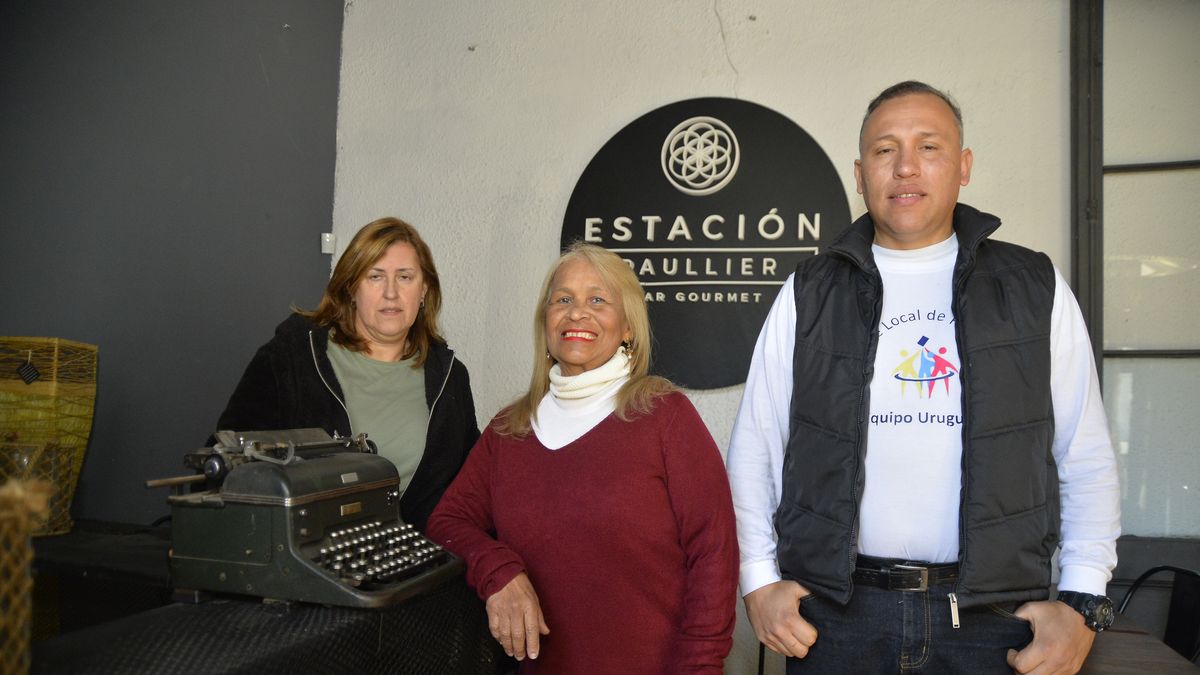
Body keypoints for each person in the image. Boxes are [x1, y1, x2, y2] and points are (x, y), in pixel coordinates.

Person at [726, 81, 1121, 674]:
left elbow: (1084, 455)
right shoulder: (809, 292)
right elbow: (755, 447)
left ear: (963, 167)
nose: (906, 166)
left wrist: (1084, 601)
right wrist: (757, 580)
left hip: (995, 622)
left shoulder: (1032, 286)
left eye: (928, 147)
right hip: (837, 617)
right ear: (860, 174)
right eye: (885, 150)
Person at [427, 243, 739, 673]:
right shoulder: (509, 430)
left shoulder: (665, 416)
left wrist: (700, 667)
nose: (577, 312)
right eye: (563, 300)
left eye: (597, 299)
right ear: (546, 322)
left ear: (628, 327)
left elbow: (714, 552)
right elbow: (447, 523)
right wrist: (498, 572)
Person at [214, 216, 479, 533]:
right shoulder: (291, 357)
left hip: (407, 563)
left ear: (424, 289)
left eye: (405, 277)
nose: (391, 293)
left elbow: (470, 494)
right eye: (375, 277)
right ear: (351, 288)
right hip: (302, 552)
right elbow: (226, 466)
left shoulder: (450, 378)